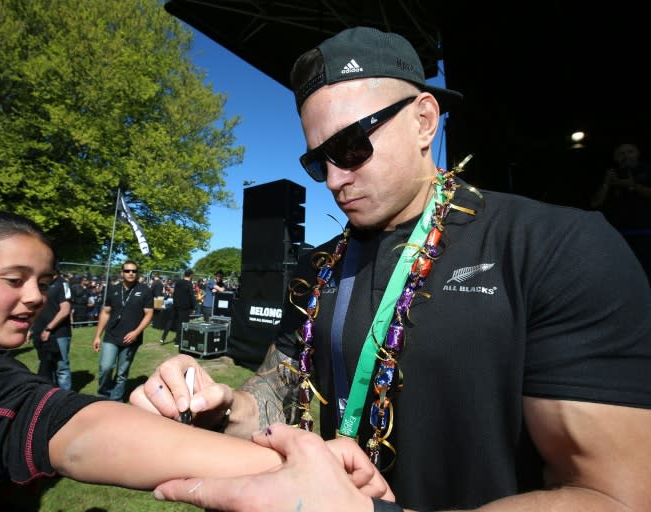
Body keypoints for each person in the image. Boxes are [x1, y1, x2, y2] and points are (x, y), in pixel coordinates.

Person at [134, 27, 651, 511]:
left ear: (424, 120)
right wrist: (220, 406)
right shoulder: (317, 268)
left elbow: (613, 496)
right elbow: (277, 388)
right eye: (318, 162)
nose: (334, 179)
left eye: (352, 146)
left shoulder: (555, 244)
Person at [0, 209, 392, 511]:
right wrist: (303, 471)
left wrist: (141, 423)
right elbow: (48, 428)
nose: (36, 297)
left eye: (42, 280)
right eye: (14, 280)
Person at [589, 142, 651, 283]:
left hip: (646, 232)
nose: (625, 156)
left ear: (638, 154)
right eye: (621, 153)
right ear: (615, 158)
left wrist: (633, 186)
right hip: (618, 234)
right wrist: (606, 184)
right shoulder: (608, 174)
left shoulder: (647, 171)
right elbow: (595, 204)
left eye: (630, 151)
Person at [92, 260, 153, 401]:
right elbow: (105, 312)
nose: (131, 273)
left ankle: (116, 399)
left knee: (122, 372)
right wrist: (97, 336)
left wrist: (136, 332)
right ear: (122, 273)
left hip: (131, 338)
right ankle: (103, 394)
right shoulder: (113, 289)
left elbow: (149, 314)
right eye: (127, 271)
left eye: (134, 271)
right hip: (111, 335)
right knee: (106, 367)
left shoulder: (144, 290)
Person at [30, 266, 73, 389]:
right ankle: (51, 395)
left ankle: (66, 398)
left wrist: (48, 329)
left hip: (59, 333)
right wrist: (32, 328)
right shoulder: (40, 284)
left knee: (61, 367)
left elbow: (65, 310)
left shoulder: (62, 284)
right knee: (46, 365)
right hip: (39, 331)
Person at [160, 268, 195, 345]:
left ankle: (163, 338)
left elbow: (175, 292)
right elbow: (191, 296)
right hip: (184, 307)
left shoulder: (178, 282)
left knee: (170, 321)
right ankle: (177, 342)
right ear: (191, 275)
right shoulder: (189, 284)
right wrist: (193, 307)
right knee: (180, 324)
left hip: (175, 304)